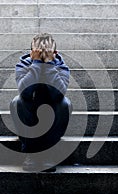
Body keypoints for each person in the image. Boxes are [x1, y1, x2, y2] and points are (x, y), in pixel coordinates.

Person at [10, 33, 72, 172]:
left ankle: (48, 152)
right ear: (32, 53)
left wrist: (49, 65)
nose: (43, 55)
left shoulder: (61, 66)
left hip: (52, 114)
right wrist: (37, 64)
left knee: (65, 103)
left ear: (54, 53)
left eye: (47, 52)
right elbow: (25, 92)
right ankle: (31, 152)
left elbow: (58, 94)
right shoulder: (23, 64)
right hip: (30, 114)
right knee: (18, 101)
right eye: (39, 52)